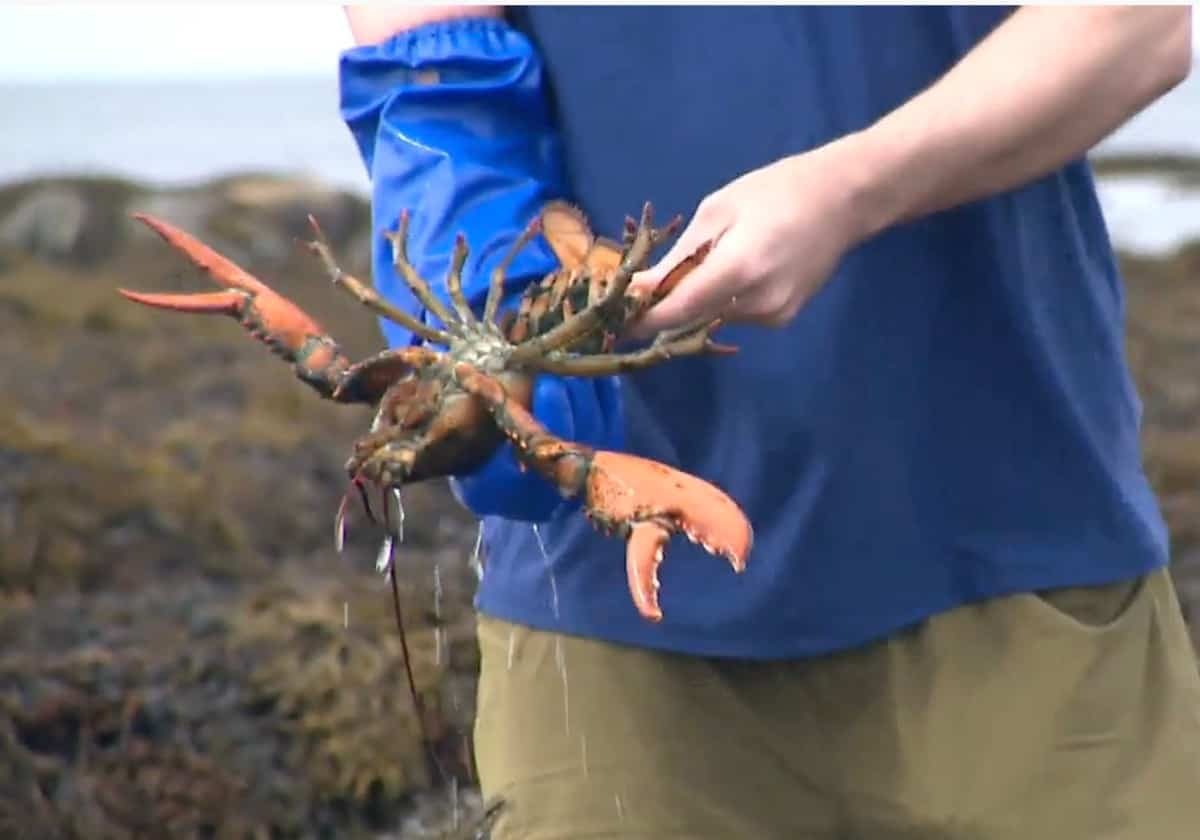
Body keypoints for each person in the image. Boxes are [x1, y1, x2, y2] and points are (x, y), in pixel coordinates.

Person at [339, 6, 1198, 838]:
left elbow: (1144, 22)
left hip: (1035, 570)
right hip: (607, 643)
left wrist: (853, 188)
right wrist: (479, 280)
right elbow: (430, 77)